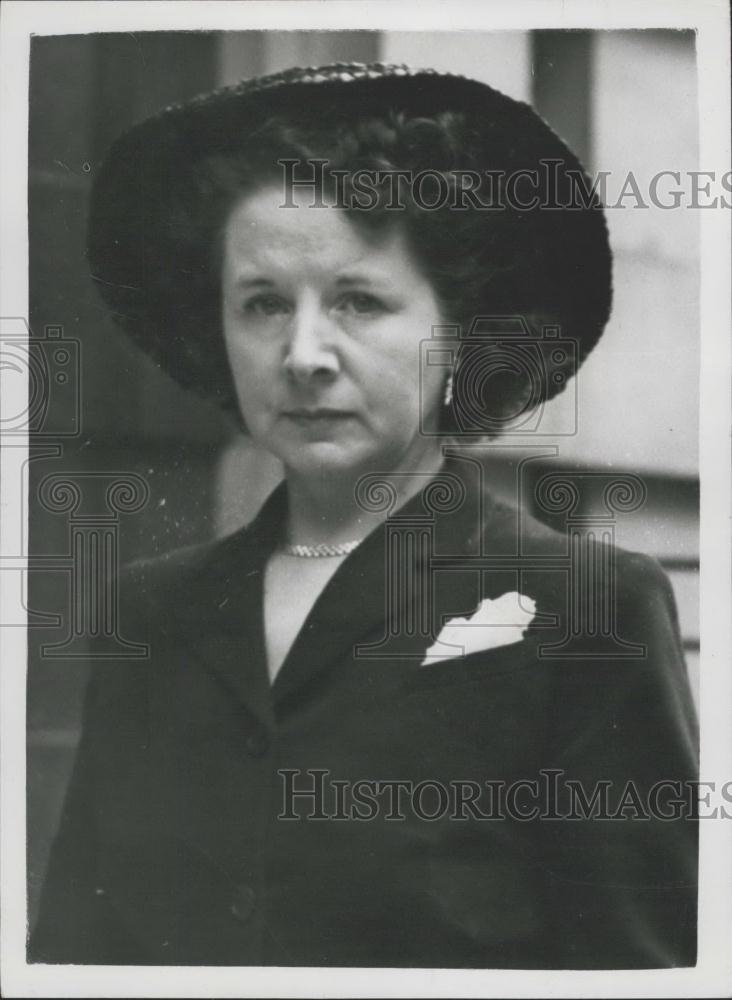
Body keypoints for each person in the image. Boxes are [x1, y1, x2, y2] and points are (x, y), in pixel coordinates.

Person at [29, 62, 698, 969]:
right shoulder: (152, 613)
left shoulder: (585, 611)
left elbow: (644, 974)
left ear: (456, 331)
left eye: (360, 302)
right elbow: (75, 953)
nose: (304, 354)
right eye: (263, 304)